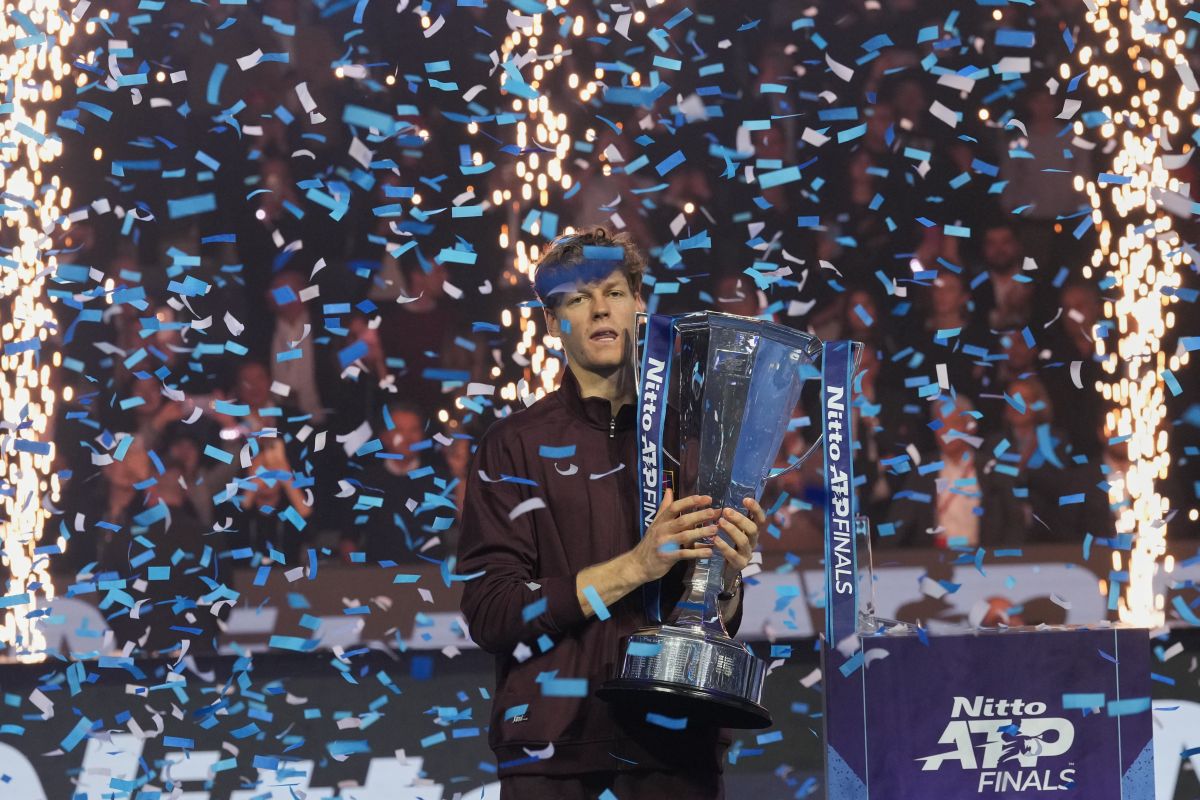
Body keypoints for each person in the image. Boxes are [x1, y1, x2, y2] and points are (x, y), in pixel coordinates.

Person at [456, 225, 767, 799]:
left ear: (639, 304)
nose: (600, 309)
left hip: (675, 750)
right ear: (553, 322)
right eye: (578, 298)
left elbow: (713, 613)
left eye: (614, 292)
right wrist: (635, 567)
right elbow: (492, 612)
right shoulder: (513, 445)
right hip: (553, 758)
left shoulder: (693, 441)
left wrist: (724, 577)